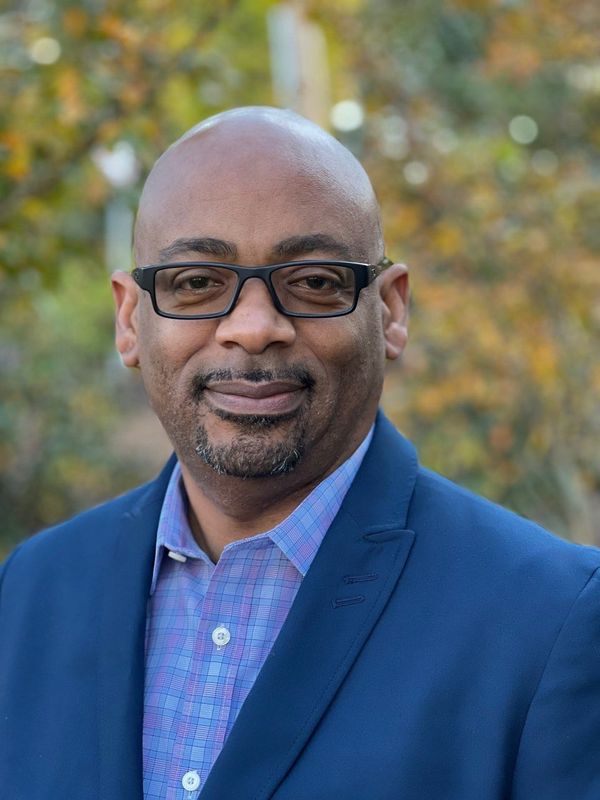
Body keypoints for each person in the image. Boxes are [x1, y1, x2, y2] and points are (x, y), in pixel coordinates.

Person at [1, 106, 599, 800]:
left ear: (390, 311)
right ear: (130, 319)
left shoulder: (551, 619)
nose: (254, 328)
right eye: (196, 282)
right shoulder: (30, 593)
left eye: (314, 281)